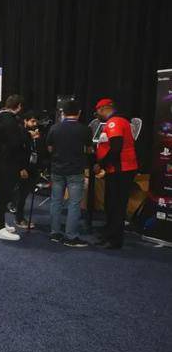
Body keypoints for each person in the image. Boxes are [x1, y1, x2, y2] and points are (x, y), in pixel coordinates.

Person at [46, 100, 92, 247]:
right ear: (79, 113)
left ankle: (55, 232)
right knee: (74, 204)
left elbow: (49, 148)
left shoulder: (54, 128)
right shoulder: (84, 129)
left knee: (56, 201)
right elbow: (89, 150)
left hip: (57, 169)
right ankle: (71, 236)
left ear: (63, 113)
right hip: (75, 170)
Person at [94, 98, 138, 249]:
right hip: (118, 169)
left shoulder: (115, 122)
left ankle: (114, 239)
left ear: (103, 109)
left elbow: (116, 148)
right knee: (111, 203)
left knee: (116, 205)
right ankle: (109, 233)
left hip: (121, 170)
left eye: (98, 111)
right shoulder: (120, 121)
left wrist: (101, 164)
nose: (97, 115)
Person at [0, 94, 29, 241]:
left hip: (0, 162)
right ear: (18, 106)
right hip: (8, 164)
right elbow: (14, 145)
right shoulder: (10, 121)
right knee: (3, 195)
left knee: (1, 195)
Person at [13, 110, 42, 228]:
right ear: (25, 121)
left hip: (33, 167)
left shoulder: (36, 134)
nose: (35, 124)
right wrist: (21, 168)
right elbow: (18, 152)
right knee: (21, 194)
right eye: (32, 121)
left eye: (36, 121)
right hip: (23, 168)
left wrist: (36, 139)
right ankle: (19, 218)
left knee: (24, 193)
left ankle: (18, 213)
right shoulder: (20, 133)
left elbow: (40, 150)